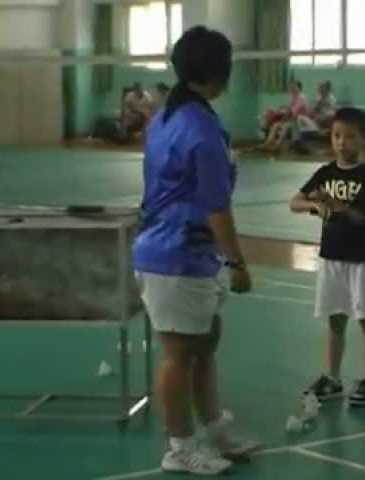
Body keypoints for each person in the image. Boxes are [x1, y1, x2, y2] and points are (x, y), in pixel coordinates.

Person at [132, 27, 256, 476]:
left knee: (205, 342)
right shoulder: (200, 130)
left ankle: (216, 428)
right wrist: (238, 264)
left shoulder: (167, 115)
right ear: (219, 72)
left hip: (183, 254)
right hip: (173, 257)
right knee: (179, 354)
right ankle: (179, 447)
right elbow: (216, 209)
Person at [289, 107, 365, 406]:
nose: (342, 142)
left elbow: (358, 216)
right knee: (335, 321)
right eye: (337, 136)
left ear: (362, 139)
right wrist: (315, 207)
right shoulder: (324, 173)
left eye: (350, 137)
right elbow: (295, 202)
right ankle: (332, 378)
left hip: (358, 260)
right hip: (329, 258)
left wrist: (334, 203)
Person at [259, 80, 308, 153]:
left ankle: (278, 147)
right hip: (292, 120)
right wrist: (281, 111)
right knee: (276, 126)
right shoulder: (293, 97)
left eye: (294, 87)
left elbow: (293, 112)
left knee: (285, 126)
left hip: (300, 121)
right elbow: (289, 109)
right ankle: (266, 144)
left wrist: (284, 116)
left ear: (300, 88)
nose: (292, 89)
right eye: (292, 87)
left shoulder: (302, 97)